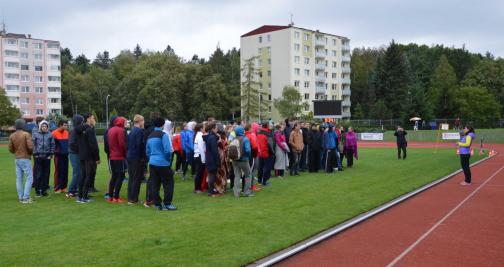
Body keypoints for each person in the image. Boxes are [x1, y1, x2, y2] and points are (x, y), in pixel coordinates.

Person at [145, 117, 177, 211]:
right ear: (163, 125)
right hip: (162, 162)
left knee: (155, 184)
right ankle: (167, 203)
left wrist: (151, 158)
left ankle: (157, 204)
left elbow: (147, 151)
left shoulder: (150, 135)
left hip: (152, 162)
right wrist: (167, 160)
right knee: (168, 183)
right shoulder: (163, 135)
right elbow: (167, 150)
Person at [75, 113, 100, 203]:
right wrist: (97, 158)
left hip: (82, 155)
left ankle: (80, 196)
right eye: (93, 118)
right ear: (89, 119)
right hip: (89, 157)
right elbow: (93, 145)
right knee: (88, 176)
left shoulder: (79, 129)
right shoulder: (89, 129)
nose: (94, 120)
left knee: (83, 176)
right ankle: (84, 197)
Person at [9, 119, 34, 203]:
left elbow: (10, 149)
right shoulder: (26, 134)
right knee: (29, 178)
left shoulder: (12, 135)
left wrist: (16, 152)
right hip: (25, 158)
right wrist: (30, 153)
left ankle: (21, 197)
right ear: (23, 125)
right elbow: (30, 147)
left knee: (19, 179)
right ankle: (26, 198)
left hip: (17, 159)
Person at [107, 117, 128, 203]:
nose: (126, 124)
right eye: (125, 122)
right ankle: (116, 197)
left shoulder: (110, 130)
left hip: (112, 156)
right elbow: (122, 144)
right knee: (120, 176)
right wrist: (125, 154)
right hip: (119, 157)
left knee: (114, 176)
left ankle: (110, 196)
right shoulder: (121, 130)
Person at [33, 120, 55, 197]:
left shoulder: (50, 134)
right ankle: (37, 190)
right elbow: (34, 145)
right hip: (38, 156)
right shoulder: (36, 134)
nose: (44, 127)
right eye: (43, 126)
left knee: (46, 174)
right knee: (38, 174)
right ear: (40, 127)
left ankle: (44, 190)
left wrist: (51, 154)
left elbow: (52, 145)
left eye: (45, 126)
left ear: (47, 127)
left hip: (47, 156)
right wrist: (35, 154)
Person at [127, 115, 145, 204]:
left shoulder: (132, 131)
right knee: (136, 178)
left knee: (131, 178)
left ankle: (130, 197)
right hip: (136, 158)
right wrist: (142, 157)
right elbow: (140, 145)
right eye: (143, 120)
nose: (144, 122)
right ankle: (134, 199)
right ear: (140, 121)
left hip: (130, 156)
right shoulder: (139, 132)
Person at [231, 126, 253, 197]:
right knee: (248, 175)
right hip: (244, 160)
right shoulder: (245, 139)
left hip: (234, 160)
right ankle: (247, 192)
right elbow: (248, 150)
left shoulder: (234, 139)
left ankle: (236, 193)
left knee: (237, 176)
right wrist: (247, 156)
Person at [67, 115, 84, 197]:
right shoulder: (73, 131)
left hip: (76, 153)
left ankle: (75, 189)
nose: (82, 123)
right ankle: (71, 190)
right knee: (77, 172)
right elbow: (72, 143)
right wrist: (80, 149)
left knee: (78, 172)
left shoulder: (77, 130)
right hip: (74, 154)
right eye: (82, 121)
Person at [52, 120, 69, 193]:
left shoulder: (67, 133)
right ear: (60, 125)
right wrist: (56, 152)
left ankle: (64, 187)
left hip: (66, 155)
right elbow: (52, 145)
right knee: (58, 171)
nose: (66, 126)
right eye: (65, 125)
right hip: (58, 156)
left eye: (66, 125)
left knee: (65, 171)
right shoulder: (54, 133)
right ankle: (57, 188)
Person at [205, 122, 221, 196]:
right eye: (216, 127)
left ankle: (211, 190)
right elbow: (214, 151)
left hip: (209, 158)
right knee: (212, 175)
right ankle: (210, 191)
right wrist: (218, 161)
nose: (217, 129)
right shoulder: (212, 138)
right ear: (213, 129)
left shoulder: (210, 136)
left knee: (212, 175)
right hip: (212, 159)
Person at [257, 122, 274, 186]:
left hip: (260, 153)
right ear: (267, 126)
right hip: (267, 153)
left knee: (260, 167)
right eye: (269, 125)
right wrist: (272, 152)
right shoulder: (267, 134)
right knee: (267, 168)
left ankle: (259, 180)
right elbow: (270, 144)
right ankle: (264, 181)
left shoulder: (258, 133)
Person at [244, 123, 259, 191]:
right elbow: (255, 146)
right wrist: (255, 154)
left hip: (247, 156)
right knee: (252, 171)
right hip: (252, 156)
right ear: (250, 128)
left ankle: (248, 186)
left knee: (248, 171)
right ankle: (251, 186)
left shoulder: (245, 135)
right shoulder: (251, 135)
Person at [192, 123, 206, 193]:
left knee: (199, 173)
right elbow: (201, 148)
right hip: (199, 156)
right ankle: (197, 188)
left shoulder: (198, 135)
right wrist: (203, 160)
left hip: (198, 155)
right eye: (204, 127)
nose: (205, 128)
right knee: (199, 173)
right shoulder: (200, 136)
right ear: (201, 129)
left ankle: (199, 187)